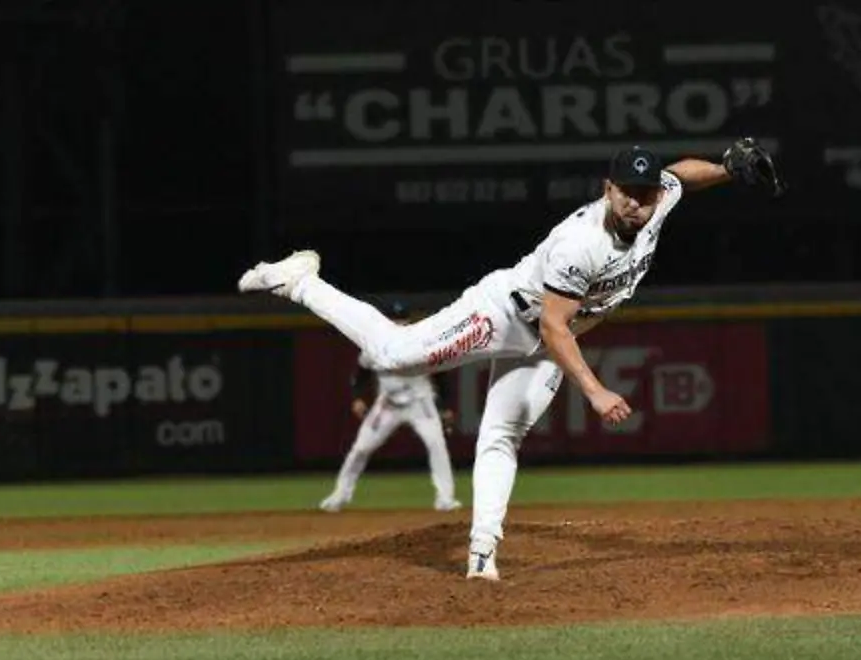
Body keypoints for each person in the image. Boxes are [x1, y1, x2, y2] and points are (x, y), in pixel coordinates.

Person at [237, 139, 783, 581]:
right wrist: (594, 390)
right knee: (392, 354)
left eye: (644, 193)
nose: (636, 203)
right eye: (626, 193)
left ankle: (481, 555)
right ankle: (300, 282)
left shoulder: (656, 199)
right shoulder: (580, 243)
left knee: (501, 435)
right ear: (607, 189)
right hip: (506, 315)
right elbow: (554, 326)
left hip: (547, 338)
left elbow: (679, 176)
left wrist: (726, 169)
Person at [318, 300, 462, 514]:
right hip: (388, 405)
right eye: (395, 320)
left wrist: (446, 406)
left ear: (409, 322)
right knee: (360, 448)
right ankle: (340, 495)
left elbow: (441, 376)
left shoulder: (422, 343)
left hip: (420, 403)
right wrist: (358, 398)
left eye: (402, 320)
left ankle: (445, 498)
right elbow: (360, 375)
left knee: (436, 445)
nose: (399, 324)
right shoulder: (373, 347)